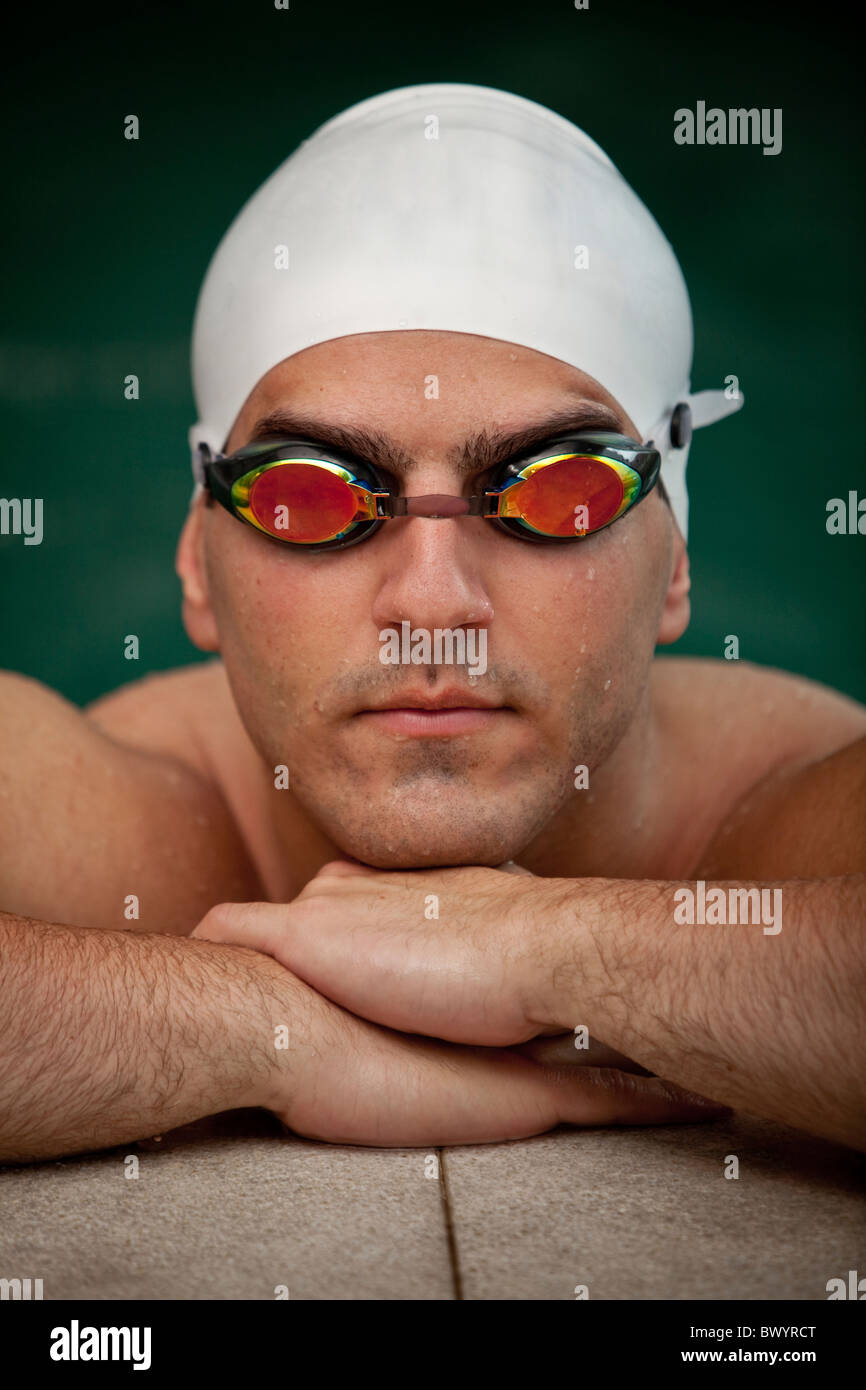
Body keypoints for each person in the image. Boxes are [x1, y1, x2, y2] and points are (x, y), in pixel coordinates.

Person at [1, 84, 863, 1164]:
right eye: (307, 495)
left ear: (675, 554)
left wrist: (542, 947)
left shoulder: (789, 813)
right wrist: (267, 1033)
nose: (431, 604)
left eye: (558, 490)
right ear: (195, 563)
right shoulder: (98, 800)